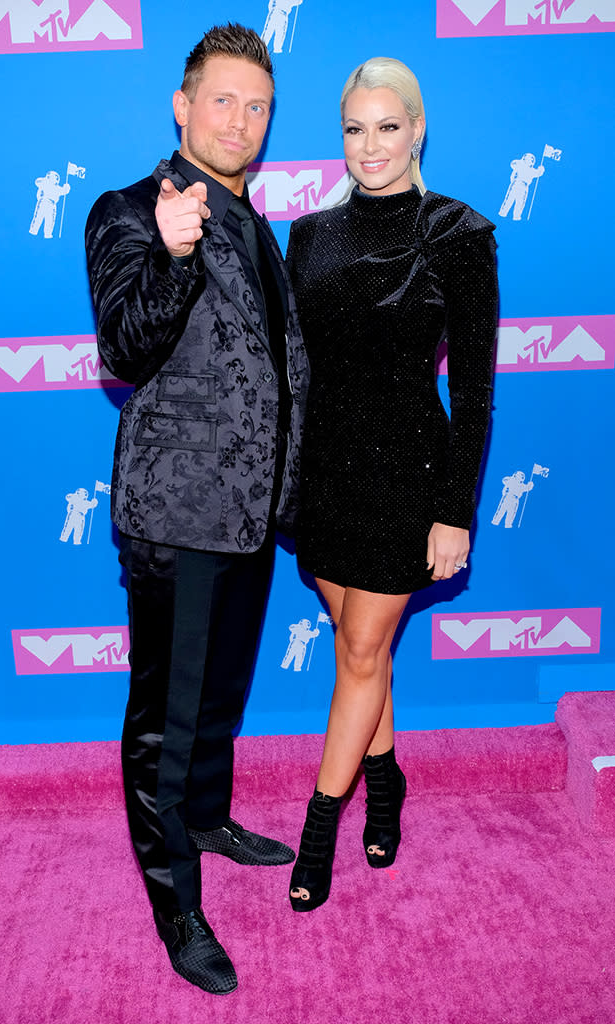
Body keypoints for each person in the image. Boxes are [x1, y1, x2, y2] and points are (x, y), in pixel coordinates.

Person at [84, 24, 308, 994]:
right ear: (182, 106)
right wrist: (172, 257)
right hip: (177, 516)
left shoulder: (254, 220)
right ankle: (176, 900)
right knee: (163, 724)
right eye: (223, 100)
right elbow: (126, 349)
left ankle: (206, 818)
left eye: (256, 105)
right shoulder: (131, 210)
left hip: (252, 513)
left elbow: (273, 370)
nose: (241, 121)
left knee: (218, 695)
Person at [285, 57, 499, 911]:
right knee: (356, 652)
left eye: (386, 126)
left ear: (417, 129)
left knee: (363, 653)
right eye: (353, 128)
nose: (369, 146)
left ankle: (318, 828)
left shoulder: (459, 233)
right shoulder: (309, 235)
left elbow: (475, 388)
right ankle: (387, 782)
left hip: (409, 474)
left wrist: (455, 514)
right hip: (327, 474)